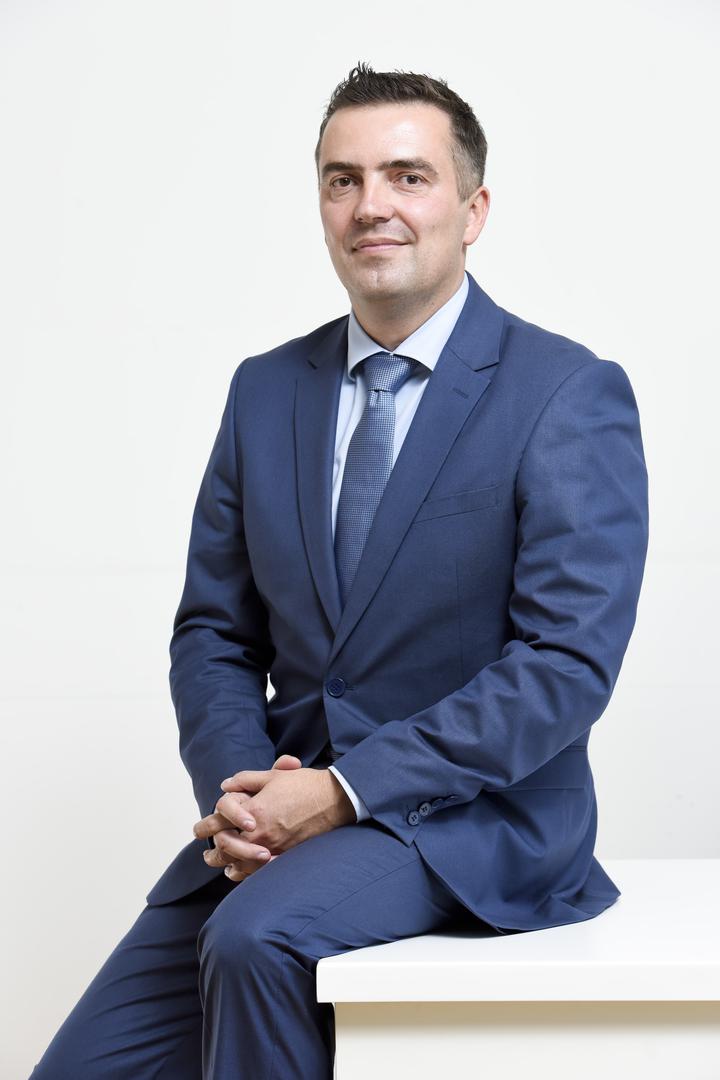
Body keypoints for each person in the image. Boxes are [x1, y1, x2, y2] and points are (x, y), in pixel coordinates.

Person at [31, 61, 649, 1079]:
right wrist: (246, 792)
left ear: (472, 209)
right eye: (343, 179)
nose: (372, 206)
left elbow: (565, 665)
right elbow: (215, 633)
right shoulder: (265, 390)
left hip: (472, 824)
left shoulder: (566, 393)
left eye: (408, 176)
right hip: (278, 817)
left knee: (254, 940)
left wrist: (349, 790)